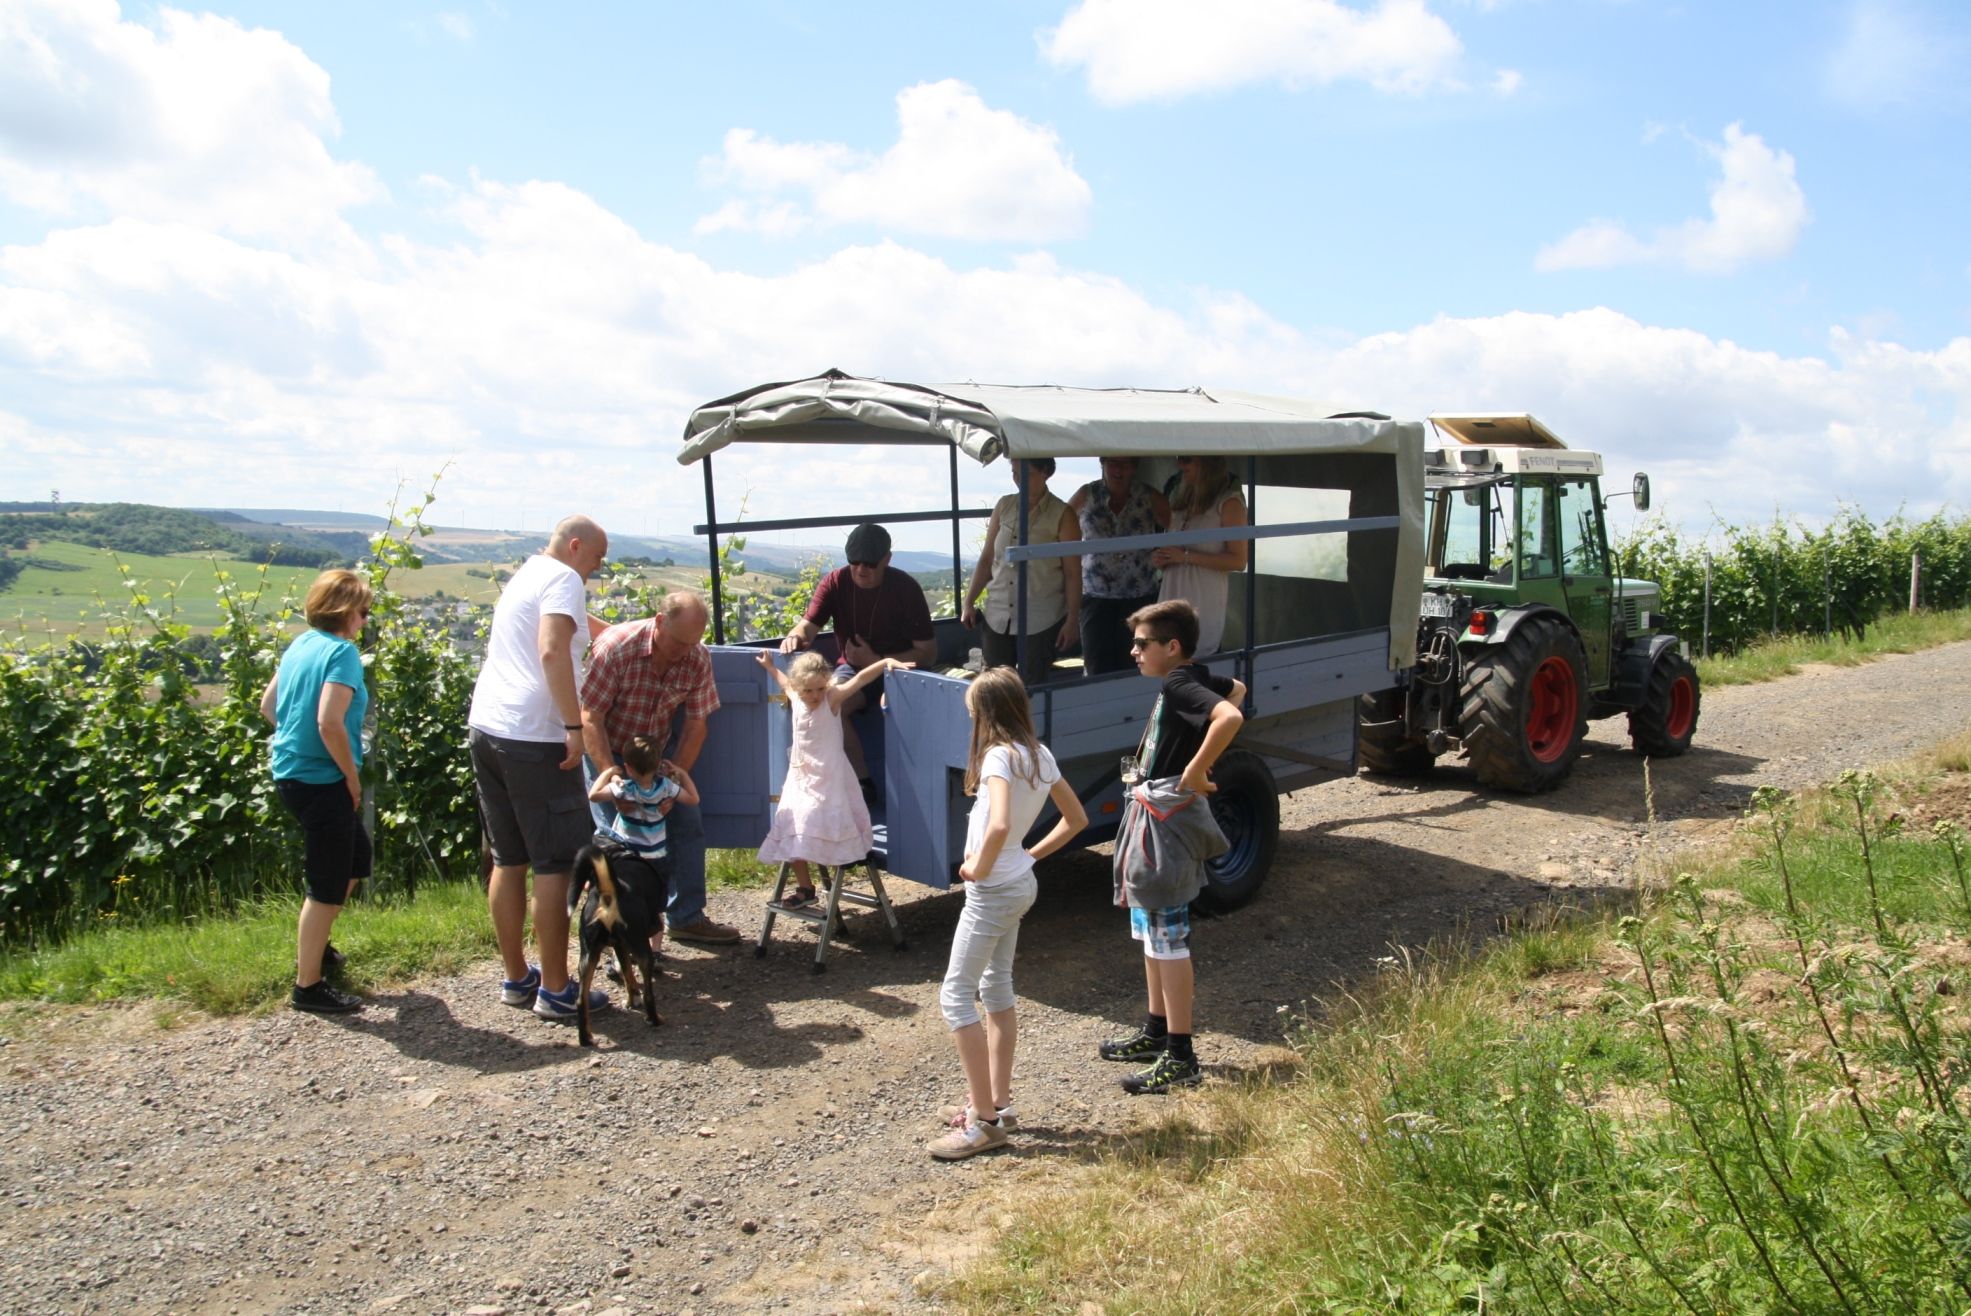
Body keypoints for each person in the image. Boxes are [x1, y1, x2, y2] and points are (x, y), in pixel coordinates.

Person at [927, 667, 1087, 1160]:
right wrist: (1029, 856)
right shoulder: (1039, 754)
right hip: (1019, 883)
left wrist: (978, 863)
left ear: (988, 715)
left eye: (973, 713)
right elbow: (1076, 819)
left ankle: (986, 1123)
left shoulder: (999, 756)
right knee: (996, 988)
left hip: (994, 890)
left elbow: (998, 823)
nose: (970, 720)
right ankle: (998, 1103)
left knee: (955, 996)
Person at [468, 513, 614, 1023]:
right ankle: (555, 988)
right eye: (596, 558)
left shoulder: (529, 573)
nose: (596, 570)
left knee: (509, 860)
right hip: (534, 735)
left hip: (487, 727)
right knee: (554, 864)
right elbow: (553, 649)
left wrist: (620, 632)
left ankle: (517, 977)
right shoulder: (565, 579)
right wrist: (573, 727)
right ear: (576, 546)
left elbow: (573, 632)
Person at [1101, 599, 1245, 1095]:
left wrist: (1193, 770)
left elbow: (1228, 717)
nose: (1134, 652)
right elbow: (1237, 691)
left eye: (1143, 644)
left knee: (1168, 939)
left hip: (1165, 824)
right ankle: (1156, 1031)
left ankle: (1181, 1054)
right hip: (1154, 816)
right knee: (1151, 931)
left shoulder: (1178, 682)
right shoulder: (1194, 676)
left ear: (1172, 647)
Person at [580, 591, 741, 945]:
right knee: (617, 842)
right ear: (658, 621)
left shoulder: (696, 657)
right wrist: (611, 774)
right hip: (609, 748)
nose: (685, 651)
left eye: (693, 643)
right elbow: (590, 717)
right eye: (679, 642)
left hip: (656, 753)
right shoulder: (616, 648)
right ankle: (615, 932)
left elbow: (697, 724)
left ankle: (685, 916)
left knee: (686, 823)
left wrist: (672, 781)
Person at [261, 568, 374, 1015]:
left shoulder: (300, 644)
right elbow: (329, 722)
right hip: (322, 780)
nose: (365, 621)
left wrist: (295, 740)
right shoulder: (342, 653)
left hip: (292, 774)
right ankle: (308, 985)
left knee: (355, 859)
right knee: (326, 882)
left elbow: (268, 706)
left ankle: (318, 946)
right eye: (363, 611)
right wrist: (349, 775)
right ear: (345, 611)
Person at [779, 522, 938, 789]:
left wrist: (876, 660)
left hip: (902, 671)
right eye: (855, 561)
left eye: (870, 563)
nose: (861, 569)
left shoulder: (905, 588)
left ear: (886, 559)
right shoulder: (835, 582)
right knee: (830, 704)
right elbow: (809, 625)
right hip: (854, 670)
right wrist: (796, 635)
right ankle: (862, 784)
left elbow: (928, 654)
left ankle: (919, 788)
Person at [753, 649, 912, 905]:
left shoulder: (832, 699)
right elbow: (784, 681)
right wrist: (770, 667)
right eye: (808, 691)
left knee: (819, 820)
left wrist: (885, 661)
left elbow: (859, 679)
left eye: (819, 688)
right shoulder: (795, 695)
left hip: (829, 776)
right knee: (789, 821)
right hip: (801, 776)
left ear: (826, 683)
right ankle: (805, 887)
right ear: (799, 687)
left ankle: (838, 858)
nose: (814, 696)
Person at [961, 457, 1082, 685]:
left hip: (1040, 617)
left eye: (1025, 475)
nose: (1018, 480)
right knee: (995, 687)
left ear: (1045, 473)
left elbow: (1073, 573)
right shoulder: (1004, 506)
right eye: (1014, 473)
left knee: (1034, 685)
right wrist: (969, 602)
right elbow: (987, 558)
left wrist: (1072, 619)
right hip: (997, 614)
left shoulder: (1062, 514)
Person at [1068, 455, 1169, 676]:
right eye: (1113, 463)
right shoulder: (1087, 494)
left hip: (1140, 597)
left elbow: (1177, 526)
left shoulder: (1148, 495)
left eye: (1126, 464)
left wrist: (1164, 556)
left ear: (1135, 467)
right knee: (1096, 665)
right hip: (1095, 596)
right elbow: (1061, 527)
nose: (1119, 470)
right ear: (1102, 463)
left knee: (1136, 664)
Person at [1154, 455, 1248, 658]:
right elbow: (1175, 551)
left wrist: (1185, 556)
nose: (1180, 465)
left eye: (1187, 459)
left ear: (1208, 462)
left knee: (1194, 664)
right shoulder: (1179, 500)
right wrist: (1163, 559)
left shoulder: (1229, 502)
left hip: (1202, 602)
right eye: (1179, 458)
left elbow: (1239, 561)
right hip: (1171, 595)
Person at [586, 732, 698, 871]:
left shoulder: (624, 788)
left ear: (628, 768)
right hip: (657, 855)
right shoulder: (665, 787)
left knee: (602, 838)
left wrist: (607, 773)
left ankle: (594, 874)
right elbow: (694, 799)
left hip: (629, 854)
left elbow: (593, 795)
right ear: (658, 765)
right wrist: (682, 773)